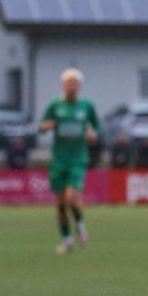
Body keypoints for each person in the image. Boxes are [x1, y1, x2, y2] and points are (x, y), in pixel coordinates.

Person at [38, 68, 100, 254]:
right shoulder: (55, 106)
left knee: (71, 199)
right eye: (68, 82)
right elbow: (41, 127)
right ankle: (67, 241)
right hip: (59, 160)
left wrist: (92, 133)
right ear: (63, 85)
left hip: (78, 159)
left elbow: (97, 127)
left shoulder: (86, 106)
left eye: (75, 82)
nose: (71, 85)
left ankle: (80, 226)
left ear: (79, 86)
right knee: (60, 204)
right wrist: (47, 125)